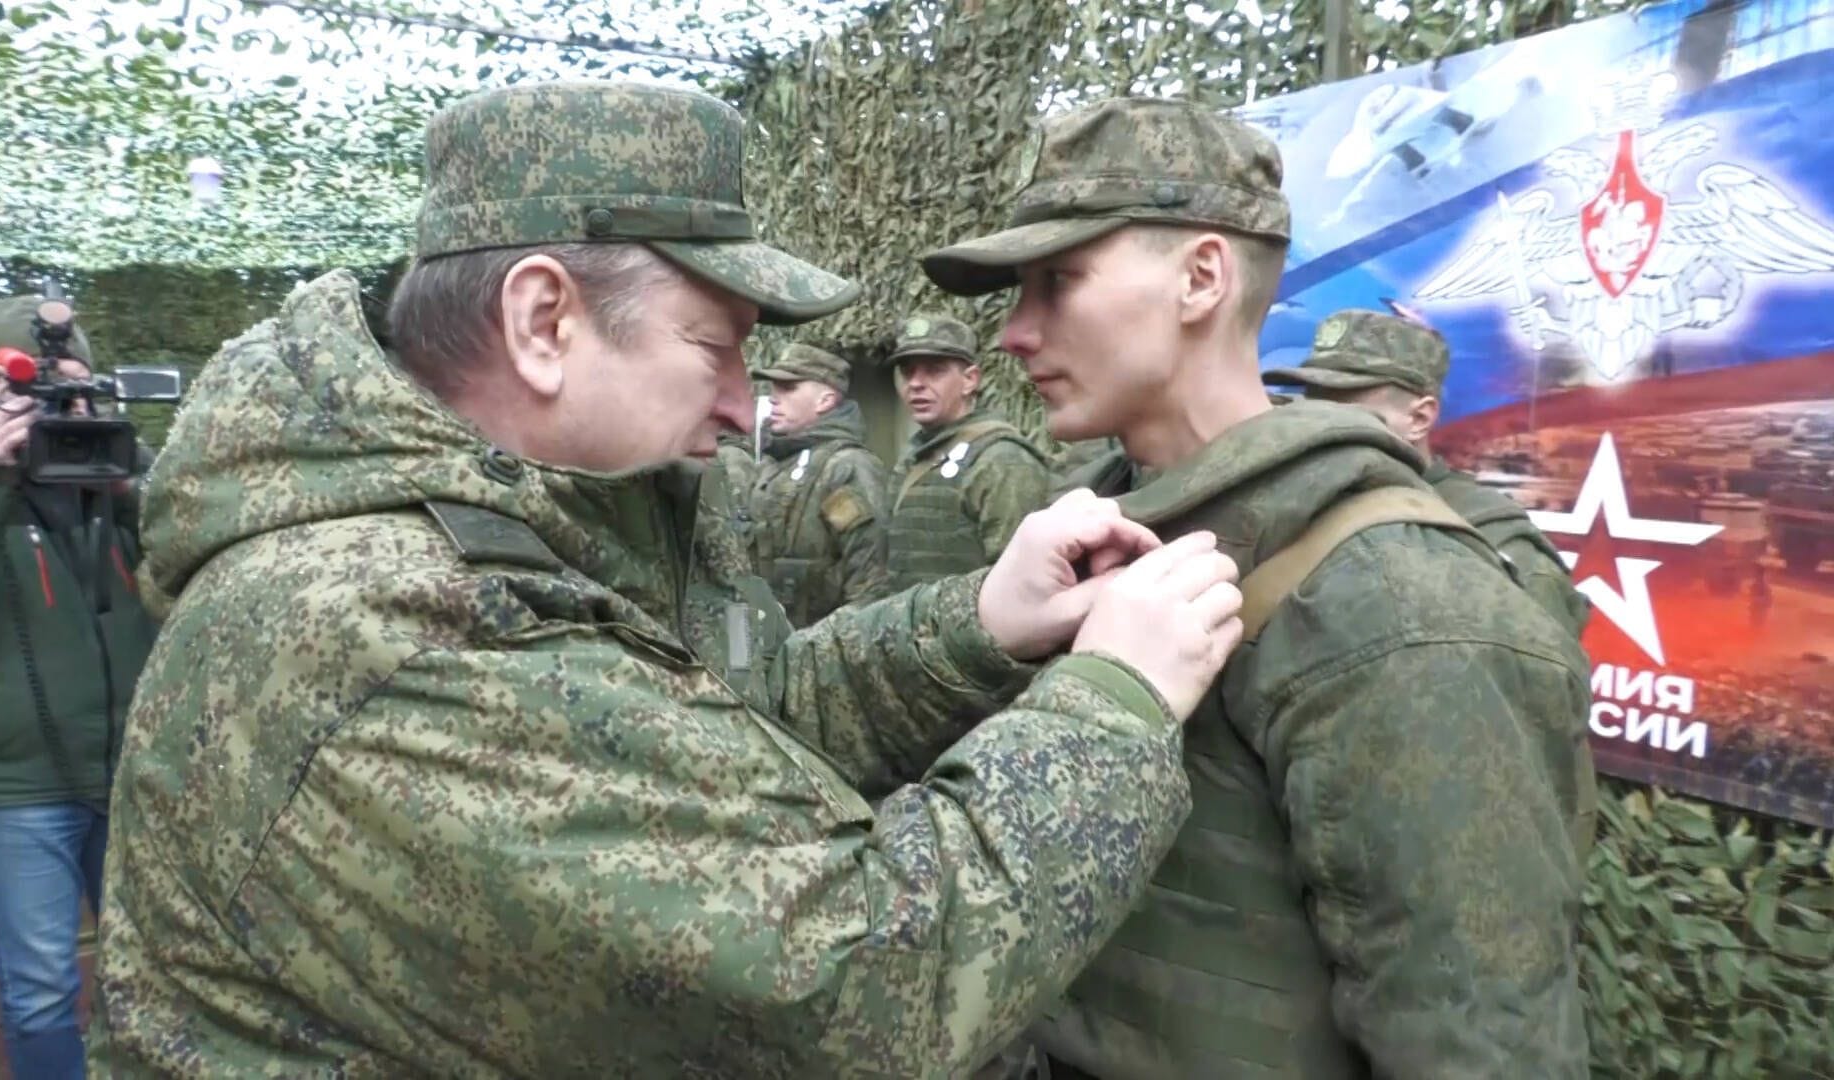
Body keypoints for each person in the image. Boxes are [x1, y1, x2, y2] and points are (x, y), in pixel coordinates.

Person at [88, 80, 1248, 1076]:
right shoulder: (384, 632)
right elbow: (859, 982)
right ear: (545, 320)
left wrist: (980, 626)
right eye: (715, 343)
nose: (749, 401)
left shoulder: (572, 519)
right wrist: (1113, 702)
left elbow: (754, 715)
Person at [923, 95, 1593, 1078]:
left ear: (1202, 278)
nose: (1016, 332)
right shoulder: (1093, 535)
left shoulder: (1395, 604)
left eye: (1057, 281)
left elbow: (1481, 1048)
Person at [0, 298, 159, 1080]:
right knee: (42, 993)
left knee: (153, 970)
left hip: (130, 777)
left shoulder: (114, 471)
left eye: (76, 391)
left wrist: (128, 485)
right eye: (36, 393)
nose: (64, 411)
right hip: (20, 794)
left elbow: (194, 545)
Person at [1262, 310, 1592, 640]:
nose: (1323, 426)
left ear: (1420, 418)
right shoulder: (1300, 498)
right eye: (1314, 407)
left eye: (1349, 414)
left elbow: (1544, 666)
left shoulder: (1486, 532)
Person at [885, 312, 1049, 592]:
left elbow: (1020, 585)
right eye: (907, 371)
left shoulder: (1001, 460)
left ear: (970, 380)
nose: (915, 383)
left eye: (934, 370)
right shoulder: (916, 456)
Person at [746, 343, 889, 625]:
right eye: (774, 387)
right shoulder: (771, 466)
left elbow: (872, 585)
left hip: (819, 650)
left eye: (788, 388)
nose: (773, 398)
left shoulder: (847, 468)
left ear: (825, 400)